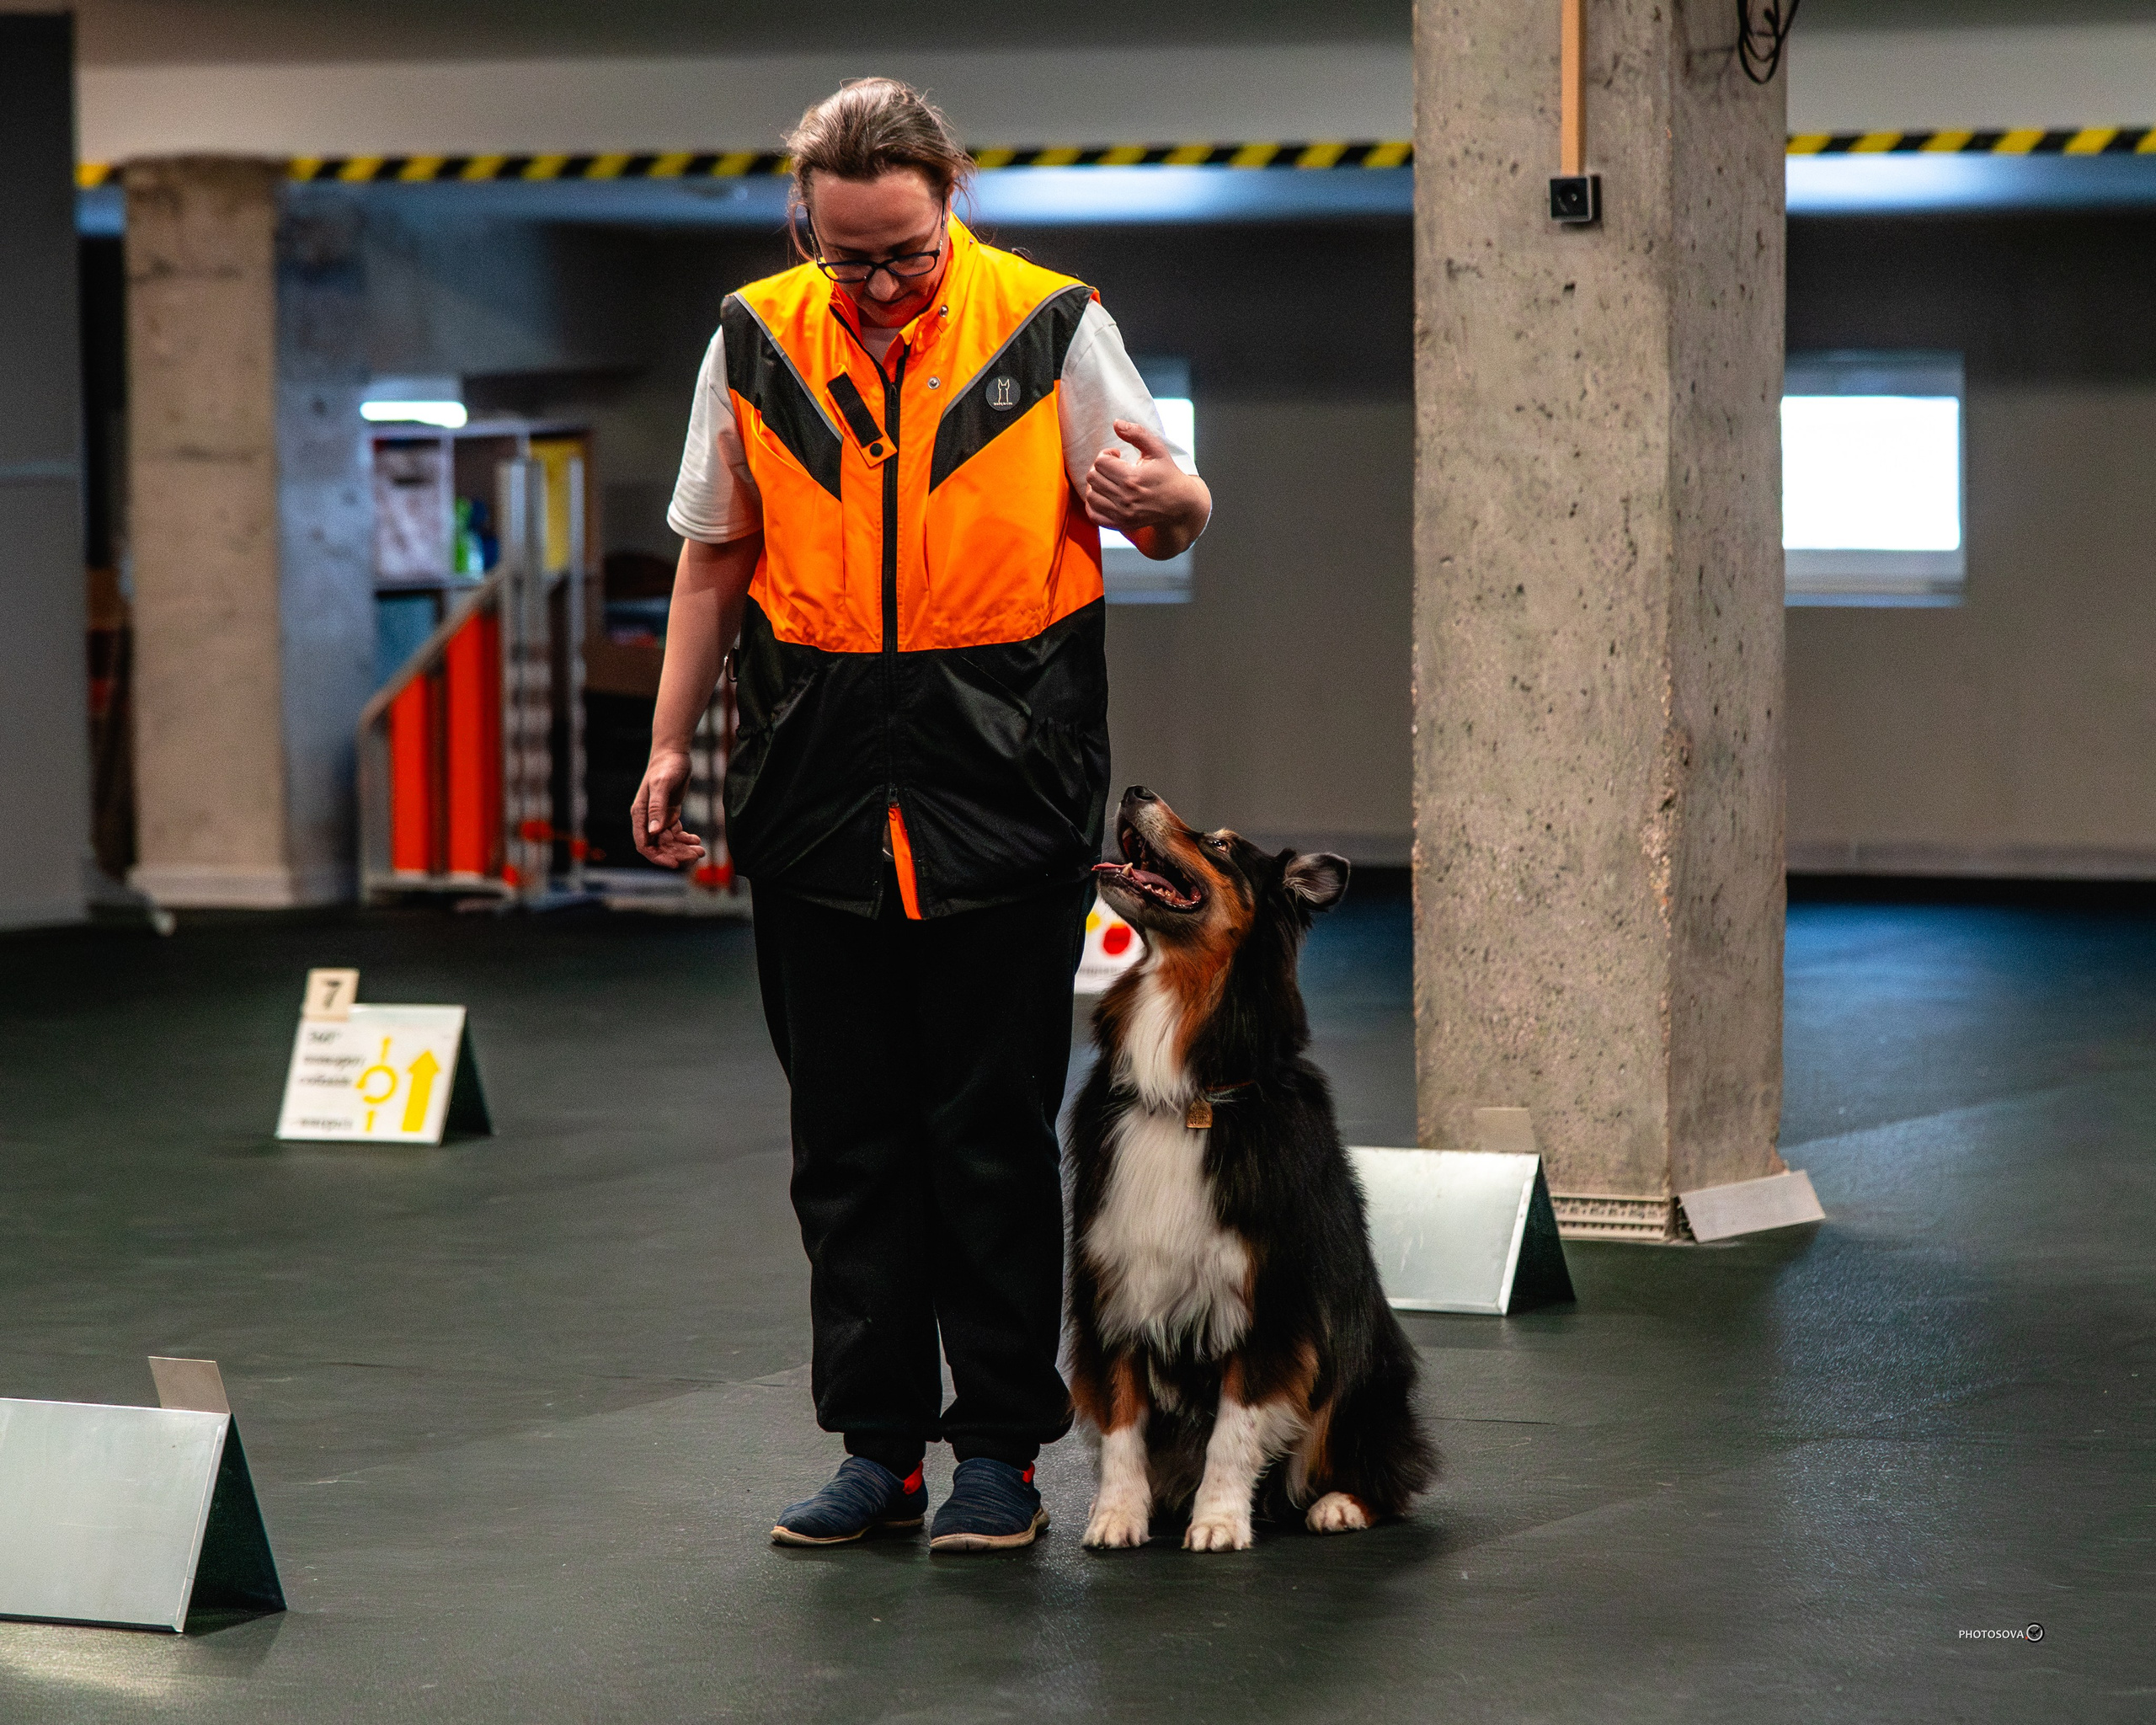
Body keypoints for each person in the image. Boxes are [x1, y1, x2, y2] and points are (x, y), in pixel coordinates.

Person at [634, 77, 1210, 1552]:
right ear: (805, 228)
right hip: (813, 786)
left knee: (991, 1136)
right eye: (853, 258)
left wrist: (1174, 498)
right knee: (845, 1140)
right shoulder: (755, 337)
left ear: (952, 198)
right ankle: (877, 1450)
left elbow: (1168, 510)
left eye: (907, 251)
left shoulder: (1050, 325)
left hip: (1000, 788)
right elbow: (711, 561)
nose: (884, 284)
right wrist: (666, 750)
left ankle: (1002, 1455)